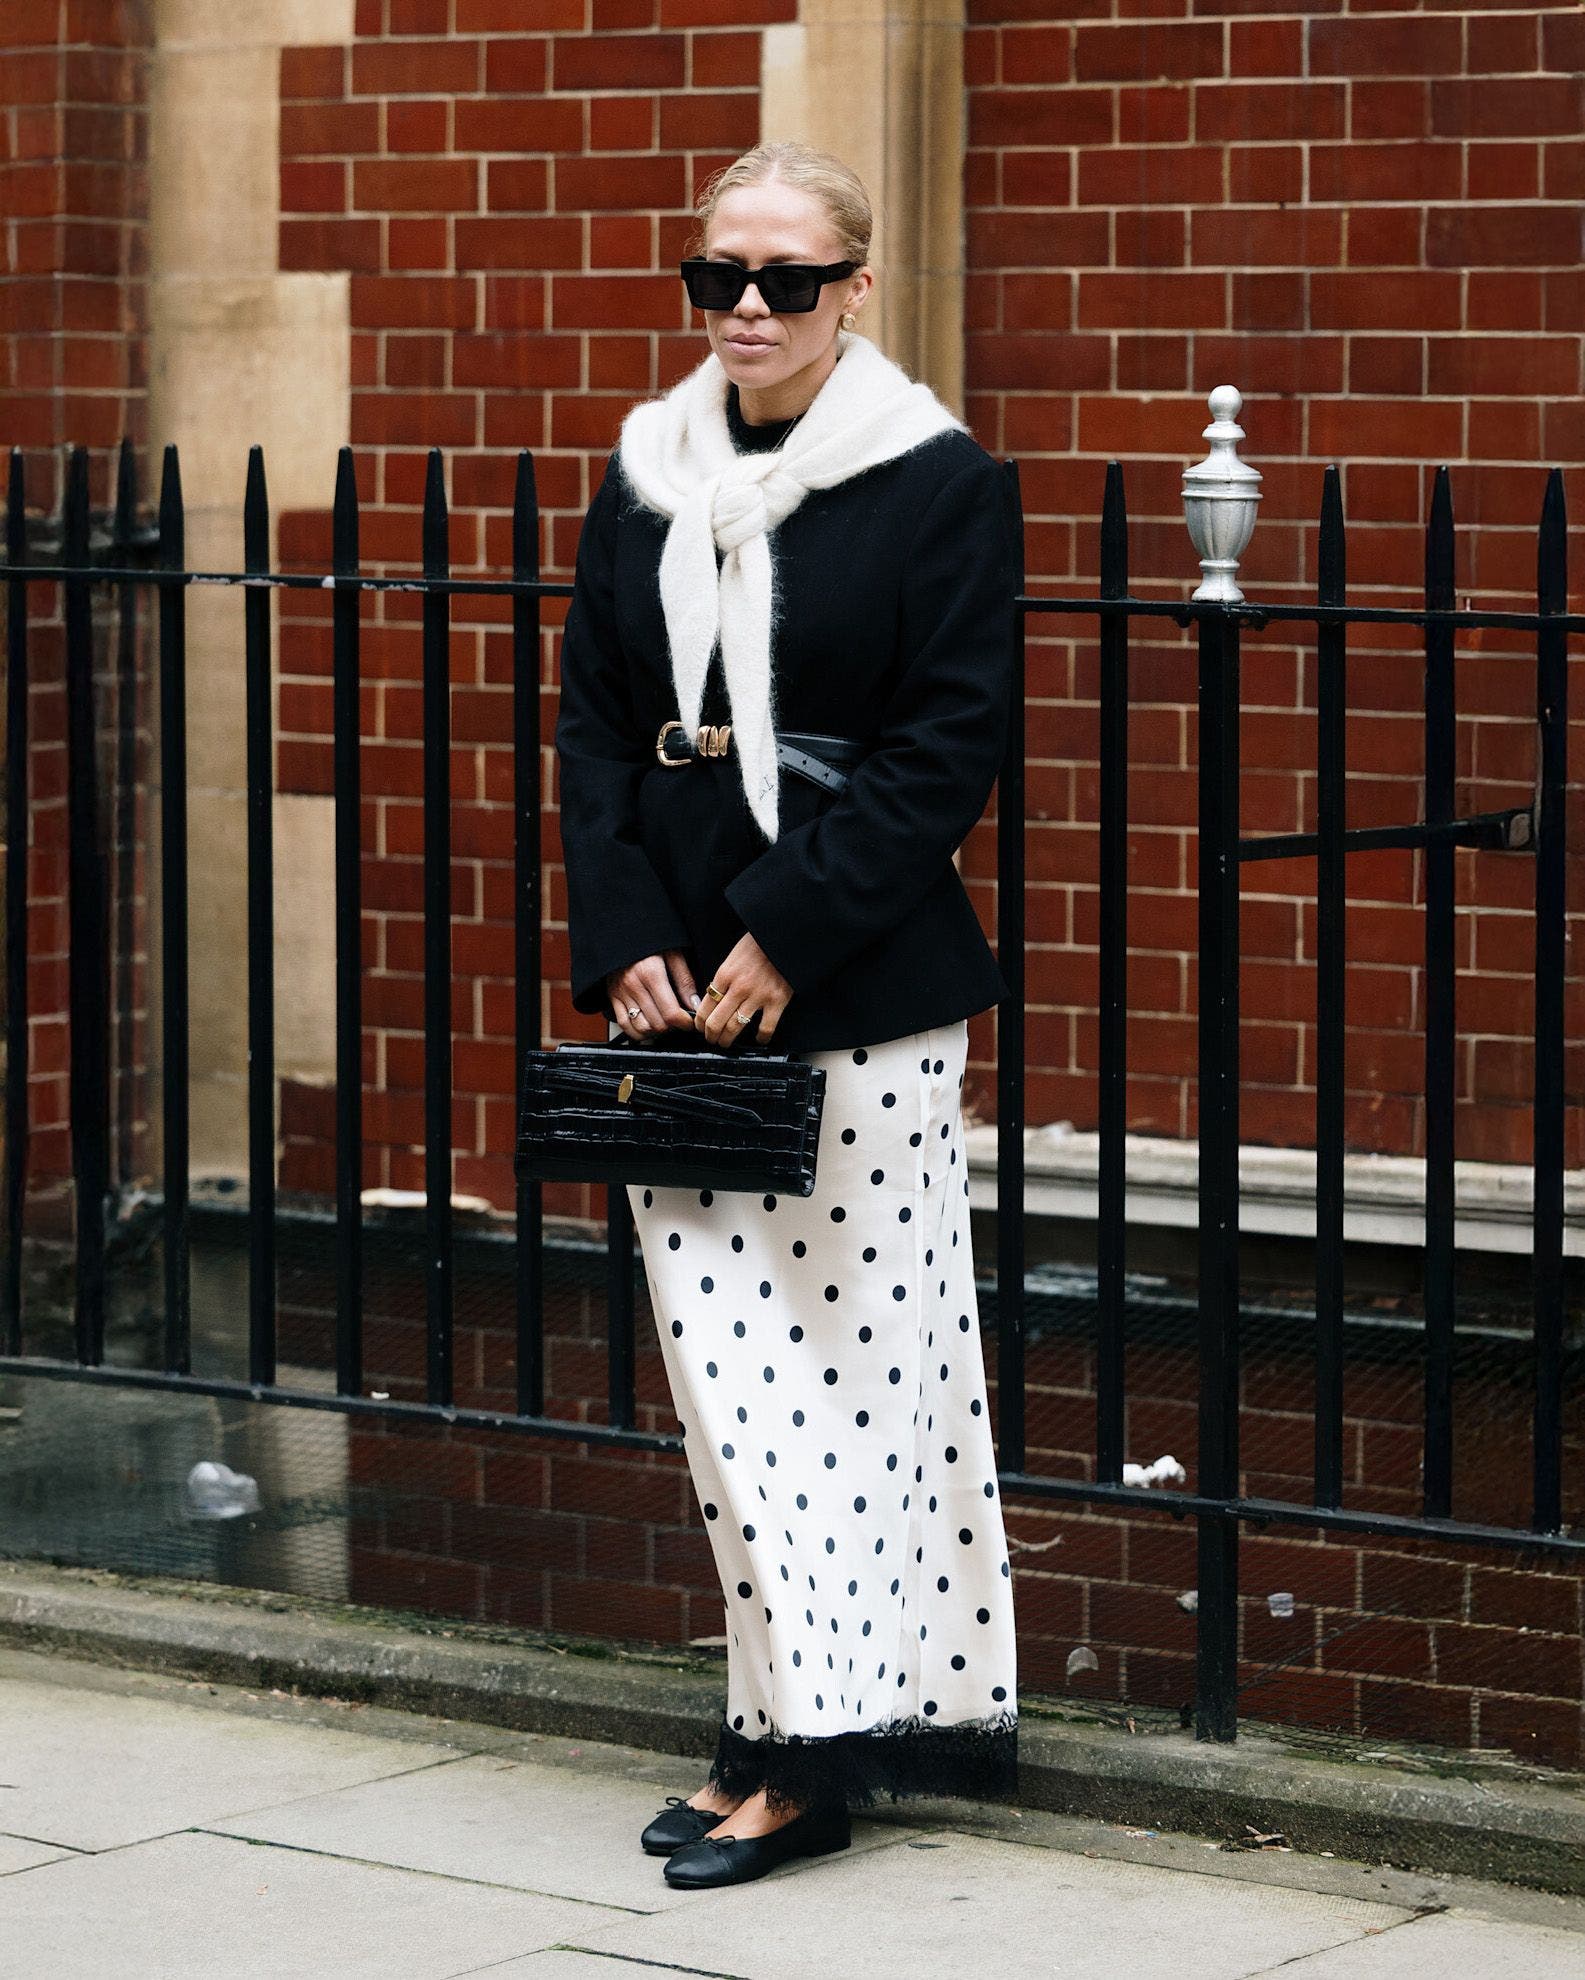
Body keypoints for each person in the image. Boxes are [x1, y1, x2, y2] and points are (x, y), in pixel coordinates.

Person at [554, 140, 1019, 1890]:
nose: (746, 307)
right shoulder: (644, 476)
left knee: (848, 1387)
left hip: (861, 1003)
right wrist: (625, 939)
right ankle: (771, 1725)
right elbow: (597, 726)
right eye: (716, 277)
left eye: (786, 279)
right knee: (729, 1399)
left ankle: (805, 1756)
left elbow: (940, 754)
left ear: (854, 289)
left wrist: (781, 930)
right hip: (673, 998)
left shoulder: (934, 483)